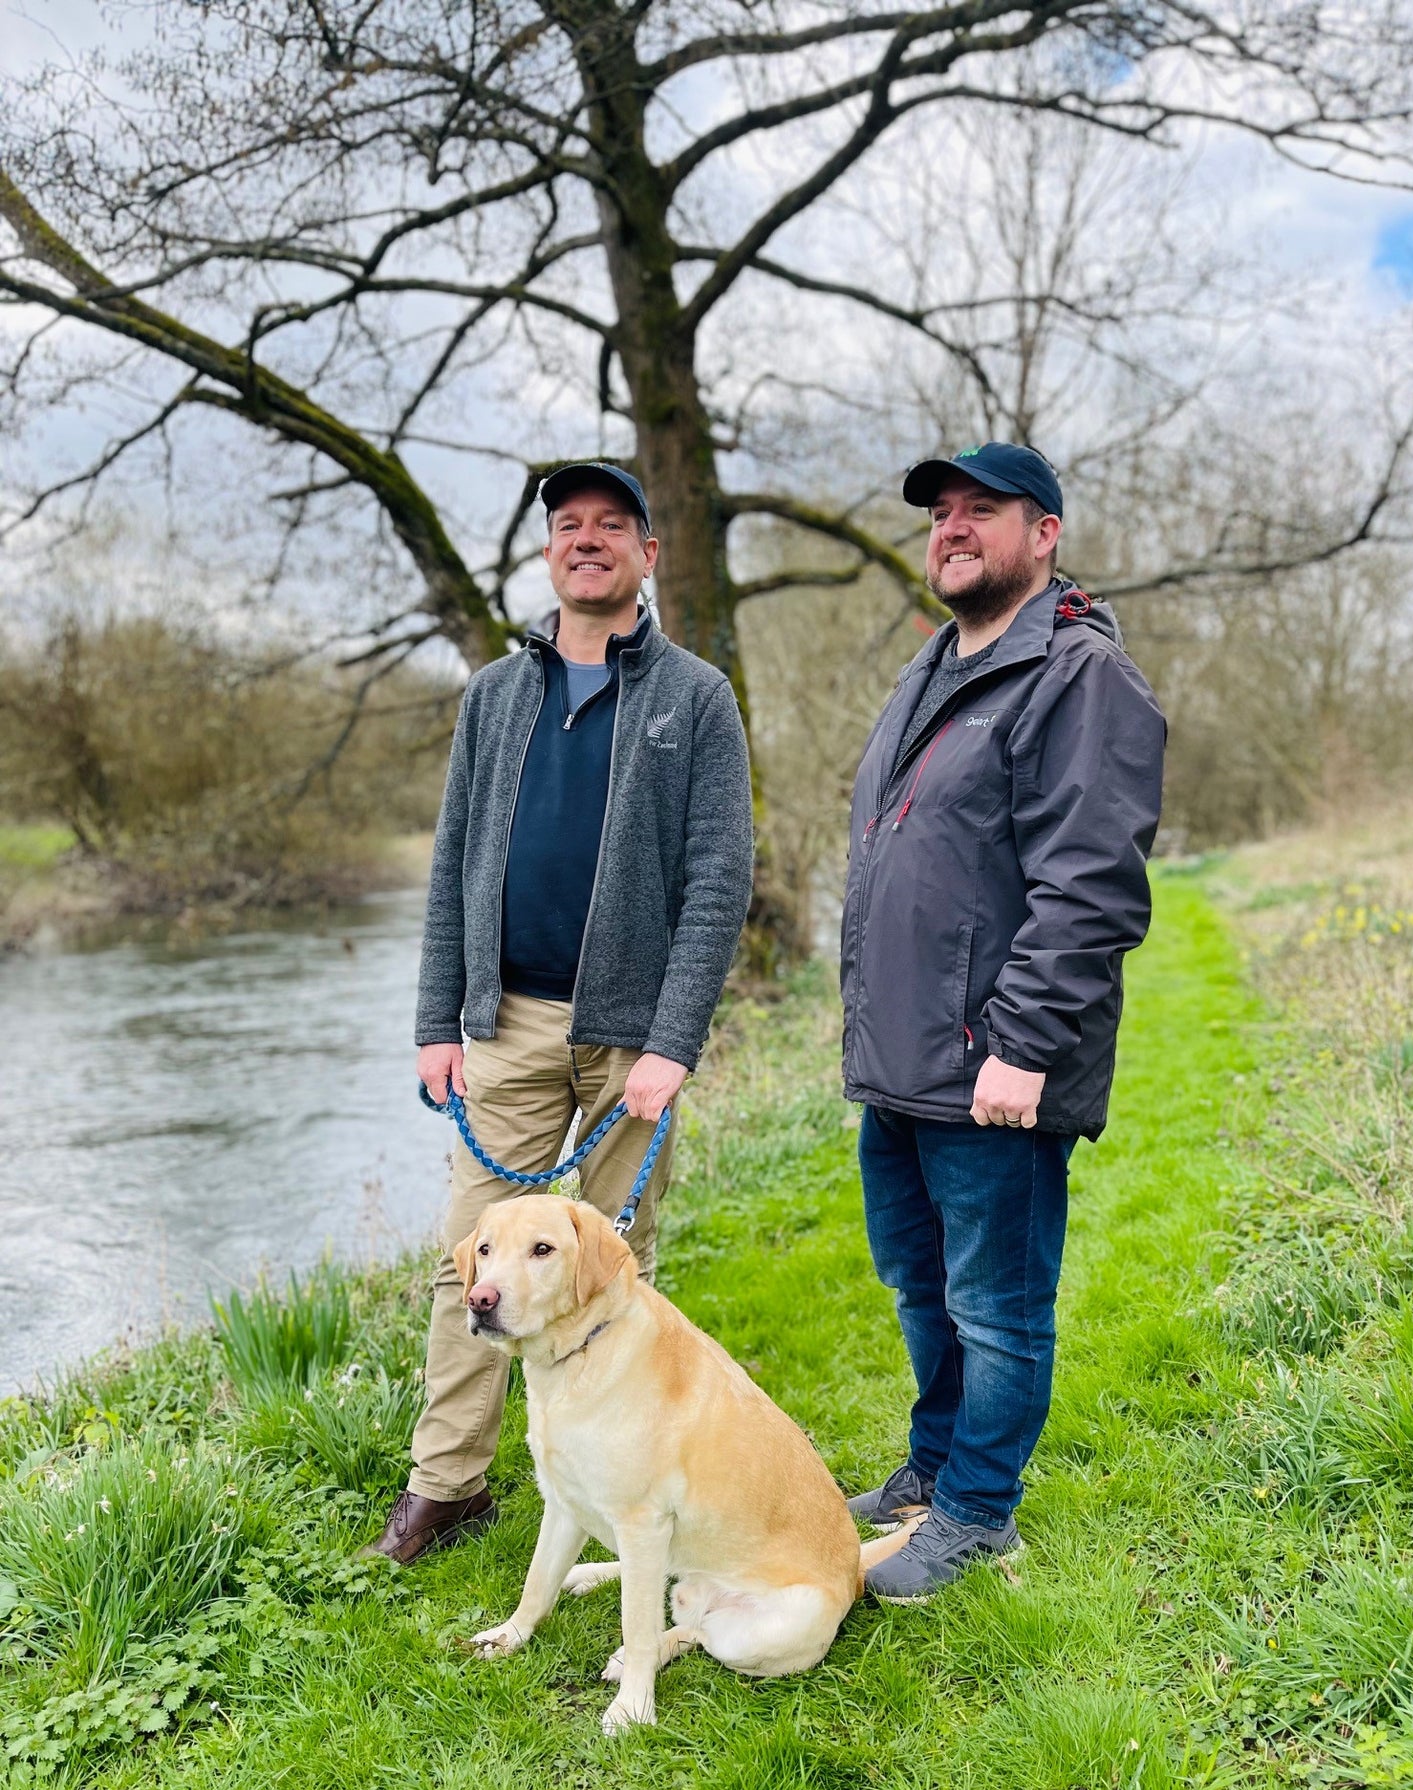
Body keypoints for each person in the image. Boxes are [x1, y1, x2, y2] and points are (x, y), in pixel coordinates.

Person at [364, 461, 754, 1564]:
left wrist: (672, 1043)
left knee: (606, 1273)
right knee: (470, 1264)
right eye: (567, 525)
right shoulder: (495, 695)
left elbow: (720, 878)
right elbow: (450, 868)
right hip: (506, 1024)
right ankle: (448, 1486)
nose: (587, 540)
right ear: (547, 553)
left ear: (646, 553)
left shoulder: (694, 698)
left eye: (610, 525)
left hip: (633, 1036)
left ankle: (611, 1472)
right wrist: (436, 1018)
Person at [841, 442, 1166, 1600]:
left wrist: (1024, 1042)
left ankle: (979, 1510)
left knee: (995, 1301)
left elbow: (1091, 884)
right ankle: (932, 1469)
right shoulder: (930, 669)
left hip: (993, 1070)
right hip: (902, 1066)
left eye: (984, 509)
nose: (952, 527)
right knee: (920, 1290)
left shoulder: (1076, 676)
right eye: (940, 512)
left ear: (1046, 534)